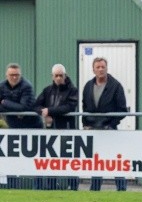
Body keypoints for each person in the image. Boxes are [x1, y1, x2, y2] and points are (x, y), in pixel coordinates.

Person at [82, 57, 131, 191]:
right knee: (96, 160)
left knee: (116, 159)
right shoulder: (88, 86)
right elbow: (84, 107)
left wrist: (111, 124)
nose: (100, 69)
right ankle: (95, 188)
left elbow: (122, 110)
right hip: (93, 130)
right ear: (93, 69)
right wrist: (85, 123)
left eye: (103, 67)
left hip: (110, 130)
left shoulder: (116, 86)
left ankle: (121, 188)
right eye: (98, 67)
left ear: (107, 68)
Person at [37, 64, 80, 130]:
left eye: (61, 75)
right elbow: (36, 105)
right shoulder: (47, 90)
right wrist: (44, 113)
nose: (58, 78)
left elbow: (69, 107)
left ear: (65, 76)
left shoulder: (72, 90)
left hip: (67, 129)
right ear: (52, 76)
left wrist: (49, 111)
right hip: (50, 128)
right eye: (56, 75)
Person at [1, 64, 38, 129]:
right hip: (13, 124)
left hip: (32, 125)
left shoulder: (27, 86)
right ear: (6, 76)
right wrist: (15, 108)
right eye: (12, 75)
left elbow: (23, 107)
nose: (14, 77)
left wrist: (5, 103)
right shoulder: (2, 86)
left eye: (17, 75)